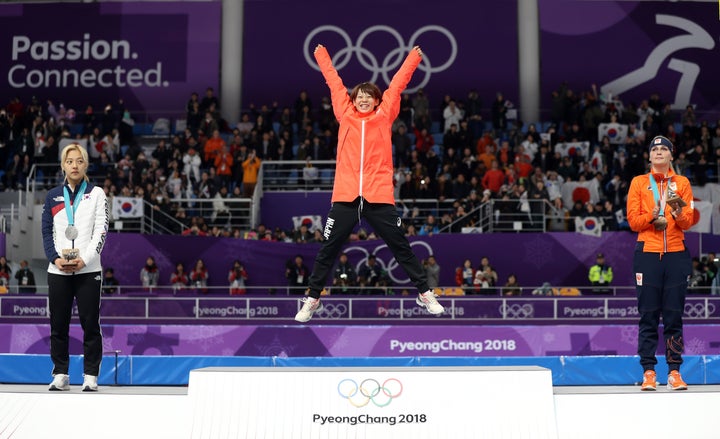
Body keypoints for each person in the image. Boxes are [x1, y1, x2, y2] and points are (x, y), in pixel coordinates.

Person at [295, 43, 444, 322]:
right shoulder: (344, 112)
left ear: (376, 100)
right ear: (353, 99)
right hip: (346, 195)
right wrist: (321, 55)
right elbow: (333, 79)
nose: (363, 99)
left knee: (401, 246)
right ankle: (312, 298)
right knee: (328, 249)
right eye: (359, 96)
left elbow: (397, 84)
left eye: (369, 96)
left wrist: (413, 58)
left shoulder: (384, 115)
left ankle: (425, 293)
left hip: (378, 195)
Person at [627, 135, 694, 391]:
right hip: (647, 253)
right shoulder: (639, 183)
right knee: (648, 315)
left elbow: (688, 220)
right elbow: (633, 221)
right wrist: (652, 216)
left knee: (674, 316)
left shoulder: (682, 183)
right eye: (654, 149)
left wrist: (676, 212)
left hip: (676, 253)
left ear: (671, 156)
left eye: (663, 148)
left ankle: (675, 372)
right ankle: (648, 372)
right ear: (649, 156)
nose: (658, 152)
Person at [41, 142, 109, 392]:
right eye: (70, 161)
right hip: (58, 269)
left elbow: (101, 230)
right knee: (58, 324)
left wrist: (85, 260)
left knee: (90, 323)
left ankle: (90, 375)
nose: (74, 165)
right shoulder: (52, 196)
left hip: (88, 269)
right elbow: (46, 232)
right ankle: (61, 374)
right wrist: (55, 259)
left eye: (79, 161)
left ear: (85, 164)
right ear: (63, 166)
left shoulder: (97, 194)